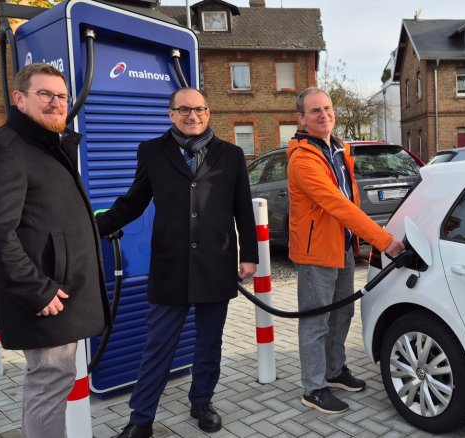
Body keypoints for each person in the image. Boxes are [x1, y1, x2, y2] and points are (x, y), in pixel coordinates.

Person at [95, 87, 258, 438]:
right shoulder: (152, 152)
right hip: (171, 265)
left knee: (209, 341)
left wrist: (250, 256)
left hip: (216, 263)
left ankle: (202, 401)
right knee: (158, 345)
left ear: (208, 112)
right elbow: (134, 201)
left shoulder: (230, 155)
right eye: (184, 110)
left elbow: (243, 207)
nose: (192, 116)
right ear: (171, 114)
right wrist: (95, 226)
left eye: (199, 109)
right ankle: (141, 420)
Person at [0, 63, 110, 438]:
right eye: (44, 94)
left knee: (55, 383)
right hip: (48, 295)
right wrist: (36, 289)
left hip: (62, 292)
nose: (56, 103)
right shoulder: (1, 150)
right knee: (48, 386)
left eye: (61, 96)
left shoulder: (47, 145)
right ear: (19, 98)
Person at [287, 87, 404, 414]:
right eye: (314, 111)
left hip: (342, 246)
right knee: (315, 321)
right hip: (315, 253)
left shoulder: (338, 148)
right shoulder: (303, 159)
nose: (323, 114)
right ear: (301, 118)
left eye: (327, 108)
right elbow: (337, 204)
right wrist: (383, 240)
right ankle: (313, 388)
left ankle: (334, 370)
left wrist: (359, 239)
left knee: (342, 313)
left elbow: (350, 199)